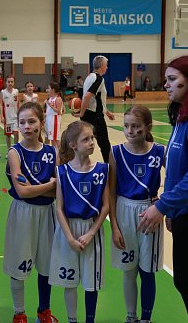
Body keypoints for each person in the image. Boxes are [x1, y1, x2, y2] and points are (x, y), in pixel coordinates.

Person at [138, 55, 188, 323]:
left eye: (173, 80)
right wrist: (172, 207)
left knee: (186, 281)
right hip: (184, 211)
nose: (166, 85)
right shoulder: (182, 115)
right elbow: (176, 167)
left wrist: (162, 207)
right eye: (166, 79)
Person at [49, 120, 109, 323]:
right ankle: (72, 319)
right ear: (73, 145)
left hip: (92, 230)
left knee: (91, 284)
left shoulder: (102, 170)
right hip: (68, 231)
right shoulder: (62, 172)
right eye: (86, 139)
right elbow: (59, 208)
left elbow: (106, 206)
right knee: (70, 282)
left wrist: (91, 232)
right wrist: (69, 238)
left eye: (92, 138)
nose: (92, 142)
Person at [109, 105, 164, 323]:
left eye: (136, 127)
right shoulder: (116, 152)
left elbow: (173, 181)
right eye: (126, 126)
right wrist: (114, 226)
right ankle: (130, 317)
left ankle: (146, 319)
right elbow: (110, 193)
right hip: (124, 210)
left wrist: (162, 205)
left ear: (147, 127)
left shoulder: (159, 151)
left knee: (147, 271)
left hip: (150, 212)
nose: (130, 131)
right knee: (129, 271)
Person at [4, 102, 58, 323]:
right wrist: (49, 186)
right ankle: (19, 313)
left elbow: (60, 190)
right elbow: (22, 192)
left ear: (41, 122)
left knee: (46, 266)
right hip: (23, 213)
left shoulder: (52, 152)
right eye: (22, 122)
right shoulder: (14, 152)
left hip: (48, 213)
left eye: (32, 121)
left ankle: (43, 311)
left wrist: (37, 189)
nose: (27, 126)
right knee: (19, 264)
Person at [73, 55, 115, 163]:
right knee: (105, 146)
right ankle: (110, 170)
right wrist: (81, 113)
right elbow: (87, 96)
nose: (107, 68)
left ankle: (80, 164)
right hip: (95, 117)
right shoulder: (99, 79)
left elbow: (96, 99)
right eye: (106, 65)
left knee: (85, 143)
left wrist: (107, 112)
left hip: (89, 115)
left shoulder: (89, 77)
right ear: (101, 66)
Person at [0, 75, 19, 158]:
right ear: (6, 82)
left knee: (16, 133)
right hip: (7, 117)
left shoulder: (16, 91)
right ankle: (9, 150)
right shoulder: (3, 92)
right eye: (8, 81)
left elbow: (18, 103)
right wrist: (1, 116)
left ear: (14, 82)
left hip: (15, 117)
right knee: (8, 135)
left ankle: (15, 149)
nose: (10, 83)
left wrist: (19, 114)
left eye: (12, 81)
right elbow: (1, 104)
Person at [44, 82, 63, 148]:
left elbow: (59, 111)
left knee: (54, 139)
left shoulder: (58, 99)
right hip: (48, 119)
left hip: (54, 120)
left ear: (53, 90)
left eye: (49, 88)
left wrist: (50, 105)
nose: (47, 90)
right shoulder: (49, 98)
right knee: (48, 137)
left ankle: (60, 154)